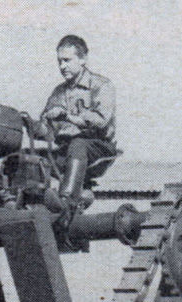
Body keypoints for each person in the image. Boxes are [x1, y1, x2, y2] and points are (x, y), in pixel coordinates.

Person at [36, 35, 117, 216]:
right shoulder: (58, 92)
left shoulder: (102, 86)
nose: (62, 66)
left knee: (78, 144)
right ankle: (24, 203)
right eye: (59, 61)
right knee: (29, 158)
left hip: (99, 147)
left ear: (83, 59)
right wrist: (32, 126)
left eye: (66, 60)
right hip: (68, 151)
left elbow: (101, 121)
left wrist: (67, 116)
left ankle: (67, 201)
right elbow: (47, 131)